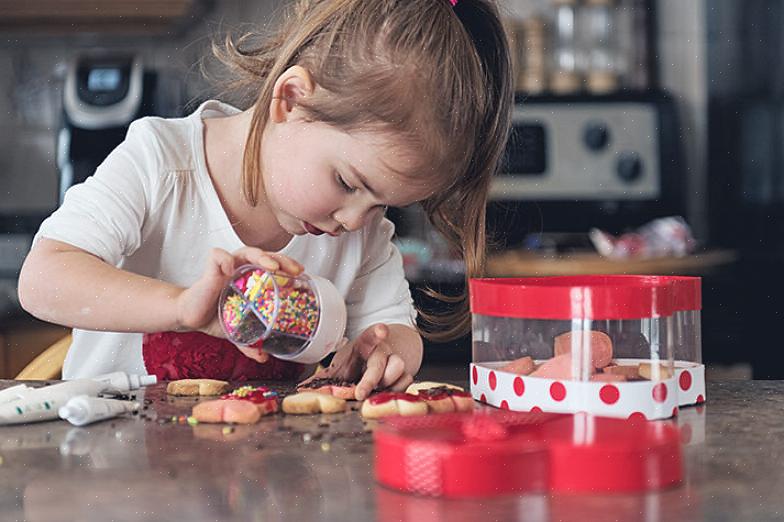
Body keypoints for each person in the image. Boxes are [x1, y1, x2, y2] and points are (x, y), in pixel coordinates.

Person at [18, 0, 512, 400]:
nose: (354, 220)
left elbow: (395, 329)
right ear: (291, 100)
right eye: (347, 181)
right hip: (112, 472)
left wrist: (389, 351)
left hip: (264, 482)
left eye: (383, 205)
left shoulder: (360, 235)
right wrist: (183, 307)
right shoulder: (161, 165)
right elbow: (42, 279)